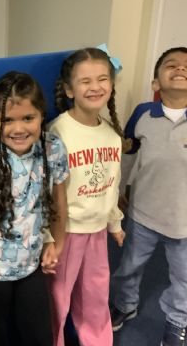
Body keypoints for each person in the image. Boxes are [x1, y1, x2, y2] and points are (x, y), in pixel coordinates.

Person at [0, 71, 69, 346]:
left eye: (28, 118)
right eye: (7, 120)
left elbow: (59, 199)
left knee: (40, 336)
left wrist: (57, 243)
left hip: (31, 264)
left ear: (42, 116)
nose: (18, 128)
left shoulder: (53, 148)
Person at [48, 46, 127, 346]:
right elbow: (47, 191)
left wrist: (114, 223)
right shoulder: (58, 132)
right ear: (70, 89)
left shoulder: (111, 134)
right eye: (85, 81)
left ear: (112, 84)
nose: (95, 87)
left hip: (97, 232)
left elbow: (112, 184)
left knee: (96, 295)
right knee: (58, 299)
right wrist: (48, 237)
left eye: (102, 79)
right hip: (65, 233)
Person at [110, 47, 187, 346]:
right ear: (156, 82)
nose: (180, 68)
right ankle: (125, 304)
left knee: (183, 277)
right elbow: (129, 154)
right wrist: (119, 191)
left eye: (186, 65)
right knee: (129, 265)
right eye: (171, 65)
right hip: (143, 212)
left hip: (183, 221)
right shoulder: (143, 113)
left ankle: (178, 321)